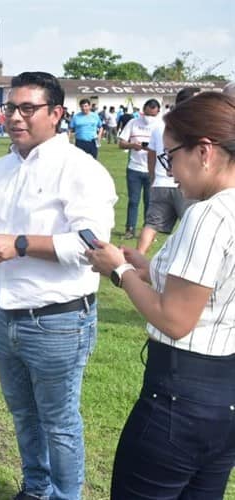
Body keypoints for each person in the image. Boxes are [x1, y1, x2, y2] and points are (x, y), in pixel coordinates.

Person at [0, 72, 117, 500]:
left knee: (59, 422)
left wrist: (18, 245)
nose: (16, 117)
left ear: (56, 114)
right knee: (23, 415)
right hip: (6, 314)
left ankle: (65, 495)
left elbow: (92, 245)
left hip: (57, 321)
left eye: (27, 108)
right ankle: (36, 489)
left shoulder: (79, 169)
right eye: (11, 107)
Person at [85, 91, 235, 500]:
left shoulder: (209, 214)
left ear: (204, 151)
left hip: (180, 397)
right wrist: (150, 268)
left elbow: (175, 319)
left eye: (170, 158)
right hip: (224, 395)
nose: (171, 174)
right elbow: (214, 286)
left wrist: (118, 271)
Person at [136, 89, 199, 254]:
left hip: (160, 183)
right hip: (186, 185)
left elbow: (151, 153)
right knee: (193, 228)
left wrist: (152, 176)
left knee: (151, 225)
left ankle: (137, 258)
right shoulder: (193, 125)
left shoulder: (159, 125)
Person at [118, 98, 162, 240]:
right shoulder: (133, 122)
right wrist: (132, 145)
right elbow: (121, 143)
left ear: (158, 112)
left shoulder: (161, 125)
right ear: (143, 110)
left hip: (152, 169)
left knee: (150, 202)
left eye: (153, 115)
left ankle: (147, 232)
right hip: (134, 168)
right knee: (133, 201)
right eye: (147, 114)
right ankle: (130, 229)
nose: (149, 118)